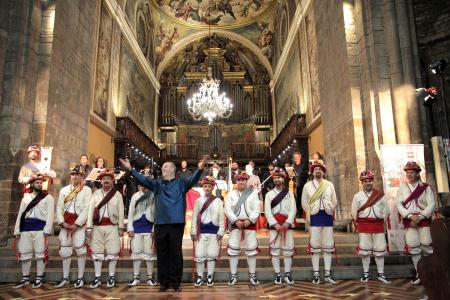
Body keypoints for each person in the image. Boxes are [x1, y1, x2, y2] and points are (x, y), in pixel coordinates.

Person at [119, 155, 207, 292]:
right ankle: (164, 282)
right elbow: (143, 180)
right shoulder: (157, 184)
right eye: (163, 166)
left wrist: (199, 169)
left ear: (173, 169)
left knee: (176, 253)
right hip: (160, 223)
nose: (163, 168)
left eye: (166, 166)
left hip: (176, 222)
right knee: (162, 254)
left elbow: (193, 179)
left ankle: (176, 281)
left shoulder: (181, 183)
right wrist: (131, 170)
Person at [396, 161, 435, 285]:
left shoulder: (426, 187)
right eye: (407, 172)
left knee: (427, 246)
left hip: (423, 220)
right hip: (409, 220)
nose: (409, 175)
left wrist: (420, 217)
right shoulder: (402, 188)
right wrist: (410, 216)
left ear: (418, 173)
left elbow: (432, 204)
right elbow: (399, 204)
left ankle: (432, 272)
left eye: (412, 172)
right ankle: (420, 274)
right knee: (414, 248)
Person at [55, 165, 92, 288]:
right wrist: (61, 222)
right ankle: (65, 277)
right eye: (72, 174)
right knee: (65, 251)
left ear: (82, 176)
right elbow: (59, 207)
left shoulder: (86, 190)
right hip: (65, 223)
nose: (74, 176)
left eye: (77, 174)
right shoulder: (64, 190)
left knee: (80, 250)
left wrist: (77, 224)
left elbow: (87, 209)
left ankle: (80, 278)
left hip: (78, 224)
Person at [13, 176, 54, 289]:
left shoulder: (48, 197)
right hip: (25, 228)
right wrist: (17, 230)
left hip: (40, 228)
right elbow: (20, 214)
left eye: (41, 183)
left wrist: (47, 230)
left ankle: (39, 278)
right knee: (25, 254)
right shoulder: (25, 198)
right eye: (37, 182)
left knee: (40, 254)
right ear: (32, 184)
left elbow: (50, 215)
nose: (40, 184)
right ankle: (25, 278)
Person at [86, 170, 125, 288]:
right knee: (97, 252)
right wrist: (89, 227)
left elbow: (121, 212)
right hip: (97, 227)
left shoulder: (117, 194)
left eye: (108, 178)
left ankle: (111, 277)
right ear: (101, 181)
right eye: (104, 179)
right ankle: (97, 278)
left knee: (113, 252)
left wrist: (121, 227)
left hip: (112, 227)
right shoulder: (96, 194)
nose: (106, 181)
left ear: (112, 180)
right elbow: (90, 211)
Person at [301, 160, 338, 284]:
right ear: (312, 172)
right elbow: (304, 202)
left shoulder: (329, 185)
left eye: (320, 169)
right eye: (316, 169)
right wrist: (311, 212)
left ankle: (327, 274)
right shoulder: (307, 186)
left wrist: (330, 208)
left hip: (327, 216)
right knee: (315, 247)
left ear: (323, 171)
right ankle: (316, 274)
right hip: (315, 217)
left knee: (328, 247)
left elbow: (334, 200)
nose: (318, 171)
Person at [351, 169, 390, 284]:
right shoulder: (357, 196)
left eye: (370, 181)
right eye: (365, 181)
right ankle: (366, 273)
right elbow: (354, 211)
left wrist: (381, 219)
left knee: (380, 250)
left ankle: (381, 274)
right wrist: (357, 222)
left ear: (373, 182)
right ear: (362, 182)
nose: (368, 183)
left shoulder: (380, 195)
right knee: (364, 251)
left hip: (378, 225)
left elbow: (386, 210)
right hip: (364, 225)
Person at [225, 171, 260, 286]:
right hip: (236, 224)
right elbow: (227, 209)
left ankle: (253, 275)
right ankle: (233, 276)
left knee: (251, 251)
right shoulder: (231, 194)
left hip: (250, 223)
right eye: (239, 180)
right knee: (233, 251)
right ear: (236, 182)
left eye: (243, 180)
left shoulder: (253, 194)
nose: (241, 182)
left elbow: (257, 208)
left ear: (246, 181)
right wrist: (235, 220)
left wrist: (250, 220)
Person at [191, 176, 224, 287]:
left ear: (212, 187)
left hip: (214, 231)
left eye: (209, 186)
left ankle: (209, 276)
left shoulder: (218, 201)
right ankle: (199, 277)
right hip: (201, 231)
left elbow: (221, 217)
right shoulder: (198, 201)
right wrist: (193, 232)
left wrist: (221, 231)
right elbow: (194, 217)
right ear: (203, 187)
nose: (207, 188)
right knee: (199, 255)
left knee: (211, 255)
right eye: (205, 186)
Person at [264, 167, 296, 285]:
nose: (277, 179)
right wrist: (275, 224)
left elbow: (293, 209)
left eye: (279, 177)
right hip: (275, 225)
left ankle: (287, 274)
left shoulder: (289, 193)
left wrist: (288, 222)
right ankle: (278, 274)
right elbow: (267, 211)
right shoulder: (269, 194)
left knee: (288, 250)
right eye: (275, 177)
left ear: (283, 179)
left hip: (287, 224)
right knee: (275, 250)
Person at [127, 180, 157, 287]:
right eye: (141, 184)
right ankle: (136, 278)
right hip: (137, 227)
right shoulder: (135, 196)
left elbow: (157, 213)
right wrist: (130, 228)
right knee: (136, 254)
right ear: (139, 185)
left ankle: (150, 278)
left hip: (149, 226)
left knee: (149, 254)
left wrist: (154, 228)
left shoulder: (153, 195)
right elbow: (130, 213)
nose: (143, 186)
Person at [292, 152, 308, 217]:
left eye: (297, 157)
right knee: (296, 199)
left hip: (302, 184)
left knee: (303, 199)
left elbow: (306, 174)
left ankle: (304, 213)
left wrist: (299, 175)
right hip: (295, 185)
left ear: (300, 157)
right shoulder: (292, 166)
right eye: (294, 157)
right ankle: (298, 213)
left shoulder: (304, 165)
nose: (296, 158)